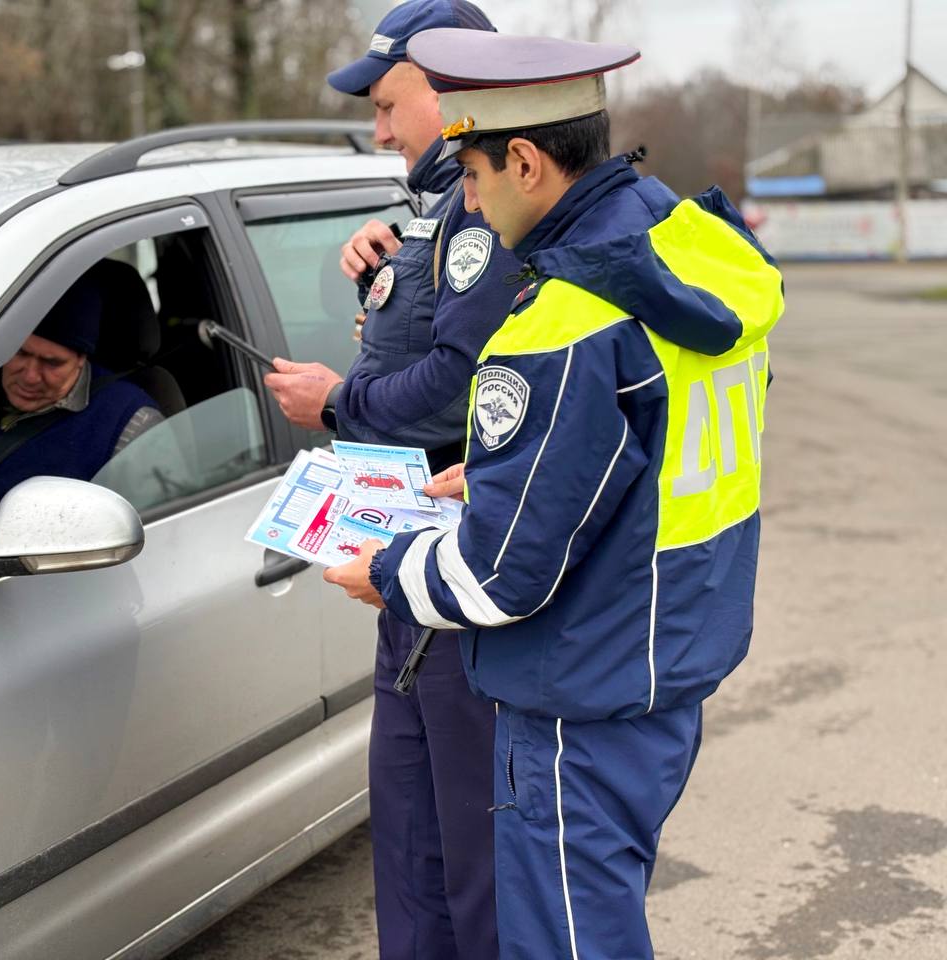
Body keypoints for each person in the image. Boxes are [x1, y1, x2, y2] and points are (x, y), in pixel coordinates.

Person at [324, 29, 784, 960]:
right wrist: (506, 469)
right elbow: (651, 443)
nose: (470, 203)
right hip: (669, 655)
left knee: (569, 941)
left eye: (475, 176)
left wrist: (387, 569)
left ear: (526, 162)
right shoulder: (691, 251)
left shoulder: (562, 323)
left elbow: (499, 578)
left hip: (580, 687)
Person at [263, 3, 517, 957]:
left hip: (456, 574)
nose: (377, 130)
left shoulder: (485, 216)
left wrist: (335, 407)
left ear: (451, 91)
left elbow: (463, 380)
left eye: (386, 105)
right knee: (415, 859)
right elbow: (428, 335)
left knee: (469, 869)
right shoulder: (438, 214)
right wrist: (391, 256)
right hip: (410, 577)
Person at [0, 264, 163, 498]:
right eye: (21, 353)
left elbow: (158, 527)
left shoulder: (130, 422)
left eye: (52, 363)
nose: (30, 376)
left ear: (81, 358)